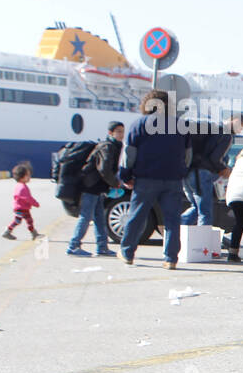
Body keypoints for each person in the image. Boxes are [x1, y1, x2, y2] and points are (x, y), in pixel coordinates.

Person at [118, 90, 192, 269]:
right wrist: (182, 171)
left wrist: (125, 175)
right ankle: (170, 258)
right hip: (173, 179)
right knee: (172, 220)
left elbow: (128, 155)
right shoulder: (181, 125)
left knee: (137, 216)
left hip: (146, 178)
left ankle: (127, 253)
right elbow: (188, 155)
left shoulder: (139, 124)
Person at [66, 122, 123, 256]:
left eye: (122, 131)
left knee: (99, 217)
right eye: (118, 131)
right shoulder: (107, 147)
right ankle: (74, 246)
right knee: (86, 217)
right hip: (90, 187)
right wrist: (115, 183)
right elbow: (104, 169)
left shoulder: (113, 146)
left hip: (97, 188)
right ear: (110, 133)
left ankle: (102, 247)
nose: (121, 134)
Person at [181, 114, 237, 226]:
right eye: (242, 125)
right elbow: (215, 158)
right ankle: (203, 242)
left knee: (197, 208)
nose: (241, 129)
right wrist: (224, 168)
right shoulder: (226, 135)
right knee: (205, 213)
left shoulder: (211, 130)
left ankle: (174, 230)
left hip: (187, 172)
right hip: (201, 174)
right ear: (232, 120)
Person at [2, 164, 40, 241]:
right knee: (17, 221)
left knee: (29, 220)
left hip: (24, 208)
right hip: (20, 208)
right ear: (22, 176)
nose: (30, 177)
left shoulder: (20, 185)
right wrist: (35, 203)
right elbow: (27, 198)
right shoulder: (22, 187)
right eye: (28, 175)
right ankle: (7, 232)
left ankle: (34, 233)